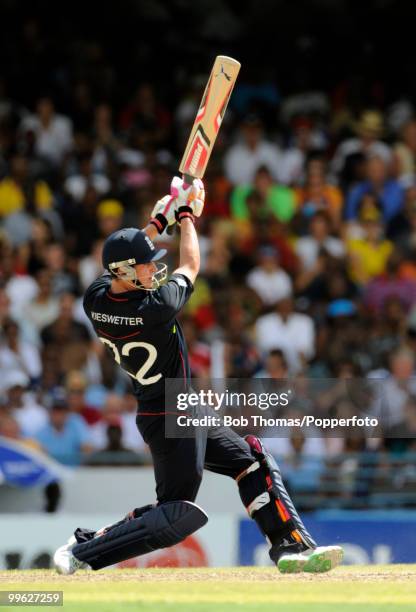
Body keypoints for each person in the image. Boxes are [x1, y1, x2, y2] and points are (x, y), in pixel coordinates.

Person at [53, 177, 342, 575]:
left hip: (184, 407)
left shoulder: (95, 298)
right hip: (168, 415)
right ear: (124, 271)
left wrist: (159, 219)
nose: (155, 268)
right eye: (147, 264)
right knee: (175, 514)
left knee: (252, 460)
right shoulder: (154, 309)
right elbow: (190, 265)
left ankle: (290, 548)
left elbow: (129, 252)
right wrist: (186, 217)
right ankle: (84, 549)